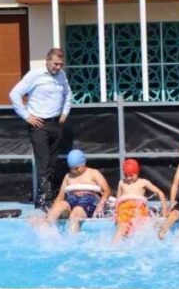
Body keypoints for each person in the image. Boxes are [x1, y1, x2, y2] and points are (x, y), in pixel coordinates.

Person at [9, 48, 73, 210]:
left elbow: (68, 94)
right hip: (39, 124)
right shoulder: (35, 75)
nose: (58, 67)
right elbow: (14, 94)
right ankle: (45, 200)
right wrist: (26, 115)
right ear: (47, 61)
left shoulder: (61, 75)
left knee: (52, 163)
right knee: (43, 163)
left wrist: (65, 112)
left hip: (55, 123)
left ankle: (44, 196)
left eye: (61, 65)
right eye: (55, 64)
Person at [42, 149, 110, 234]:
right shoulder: (68, 176)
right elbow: (60, 197)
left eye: (76, 168)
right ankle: (45, 234)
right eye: (71, 168)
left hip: (88, 200)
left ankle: (72, 241)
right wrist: (51, 210)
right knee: (58, 206)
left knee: (75, 214)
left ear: (83, 163)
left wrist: (100, 205)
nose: (74, 171)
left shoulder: (93, 173)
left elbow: (107, 190)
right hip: (71, 199)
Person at [105, 158, 166, 242]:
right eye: (126, 175)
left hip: (138, 206)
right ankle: (113, 247)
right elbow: (118, 200)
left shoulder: (143, 182)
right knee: (121, 227)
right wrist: (116, 213)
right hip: (124, 208)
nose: (129, 178)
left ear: (137, 172)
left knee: (142, 228)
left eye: (131, 175)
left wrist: (164, 209)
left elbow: (160, 193)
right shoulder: (121, 182)